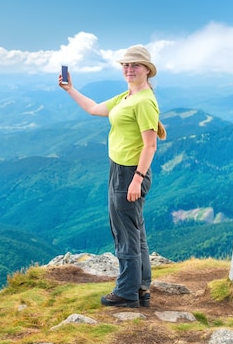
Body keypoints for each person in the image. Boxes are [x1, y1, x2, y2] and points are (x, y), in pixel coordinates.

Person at [58, 45, 166, 308]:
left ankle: (126, 292)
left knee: (124, 233)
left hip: (129, 173)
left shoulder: (144, 101)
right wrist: (70, 89)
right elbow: (95, 109)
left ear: (147, 70)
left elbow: (150, 145)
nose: (129, 69)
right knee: (135, 231)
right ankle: (141, 288)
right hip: (120, 170)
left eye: (135, 65)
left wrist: (137, 179)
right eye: (125, 65)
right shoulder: (128, 96)